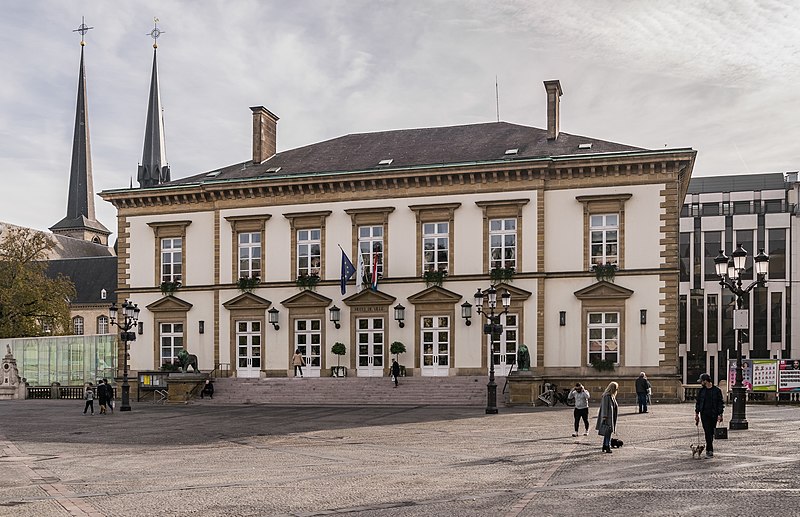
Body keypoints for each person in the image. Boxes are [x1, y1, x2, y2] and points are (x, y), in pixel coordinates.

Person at [694, 373, 724, 459]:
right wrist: (696, 414)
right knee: (707, 431)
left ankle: (709, 448)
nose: (700, 383)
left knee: (711, 432)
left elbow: (720, 403)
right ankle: (709, 450)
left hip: (713, 414)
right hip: (704, 414)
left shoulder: (716, 391)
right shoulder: (701, 391)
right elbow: (698, 403)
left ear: (705, 381)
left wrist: (720, 414)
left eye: (701, 381)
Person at [595, 381, 618, 453]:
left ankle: (605, 445)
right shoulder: (606, 396)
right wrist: (604, 417)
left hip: (611, 416)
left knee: (608, 432)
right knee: (608, 432)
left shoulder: (611, 396)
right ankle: (607, 446)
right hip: (607, 417)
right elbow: (604, 407)